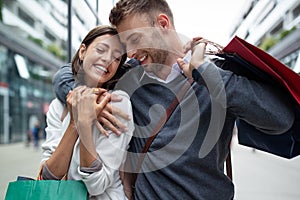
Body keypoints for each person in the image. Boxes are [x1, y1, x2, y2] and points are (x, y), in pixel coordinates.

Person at [53, 1, 295, 199]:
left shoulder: (218, 73)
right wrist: (78, 96)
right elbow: (69, 72)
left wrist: (204, 73)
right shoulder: (130, 77)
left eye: (135, 39)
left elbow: (281, 119)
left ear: (162, 24)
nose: (131, 53)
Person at [40, 25, 135, 200]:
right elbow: (48, 178)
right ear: (82, 51)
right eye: (101, 49)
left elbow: (97, 185)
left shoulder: (117, 103)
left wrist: (85, 126)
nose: (108, 59)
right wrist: (75, 122)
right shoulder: (58, 106)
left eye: (116, 58)